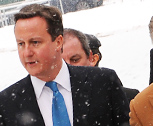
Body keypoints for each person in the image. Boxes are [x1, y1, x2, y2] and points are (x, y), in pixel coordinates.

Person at [0, 4, 130, 126]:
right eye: (21, 44)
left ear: (58, 42)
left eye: (35, 42)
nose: (27, 53)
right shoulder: (6, 104)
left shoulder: (102, 82)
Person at [62, 28, 140, 103]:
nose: (68, 66)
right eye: (61, 62)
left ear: (91, 58)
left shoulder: (124, 97)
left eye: (75, 60)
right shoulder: (52, 101)